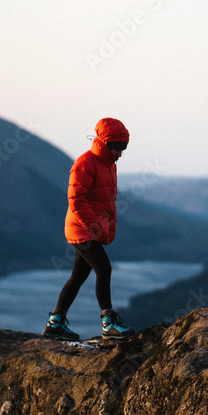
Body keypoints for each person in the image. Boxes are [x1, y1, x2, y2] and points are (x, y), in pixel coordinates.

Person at [44, 118, 134, 341]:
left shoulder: (109, 164)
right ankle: (108, 323)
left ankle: (55, 323)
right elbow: (76, 199)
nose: (121, 153)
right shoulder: (86, 162)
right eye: (118, 147)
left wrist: (106, 227)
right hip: (82, 228)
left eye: (124, 147)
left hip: (91, 229)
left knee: (77, 277)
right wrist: (93, 225)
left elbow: (107, 201)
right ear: (105, 142)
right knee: (104, 269)